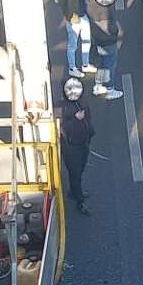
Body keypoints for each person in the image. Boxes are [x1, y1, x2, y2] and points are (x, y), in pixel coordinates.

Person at [56, 77, 95, 214]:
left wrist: (90, 133)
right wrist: (75, 119)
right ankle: (80, 202)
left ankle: (74, 191)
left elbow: (88, 118)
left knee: (80, 170)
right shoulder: (61, 108)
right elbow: (61, 128)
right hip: (71, 148)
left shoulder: (82, 101)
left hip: (83, 143)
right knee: (75, 174)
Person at [58, 0, 93, 78]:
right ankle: (72, 68)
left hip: (83, 16)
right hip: (72, 20)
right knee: (72, 45)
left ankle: (85, 64)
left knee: (87, 40)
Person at [91, 0, 124, 100]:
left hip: (98, 42)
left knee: (102, 65)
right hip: (108, 43)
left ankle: (98, 86)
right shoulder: (104, 10)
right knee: (110, 66)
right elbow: (109, 29)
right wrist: (116, 31)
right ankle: (110, 89)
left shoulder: (92, 6)